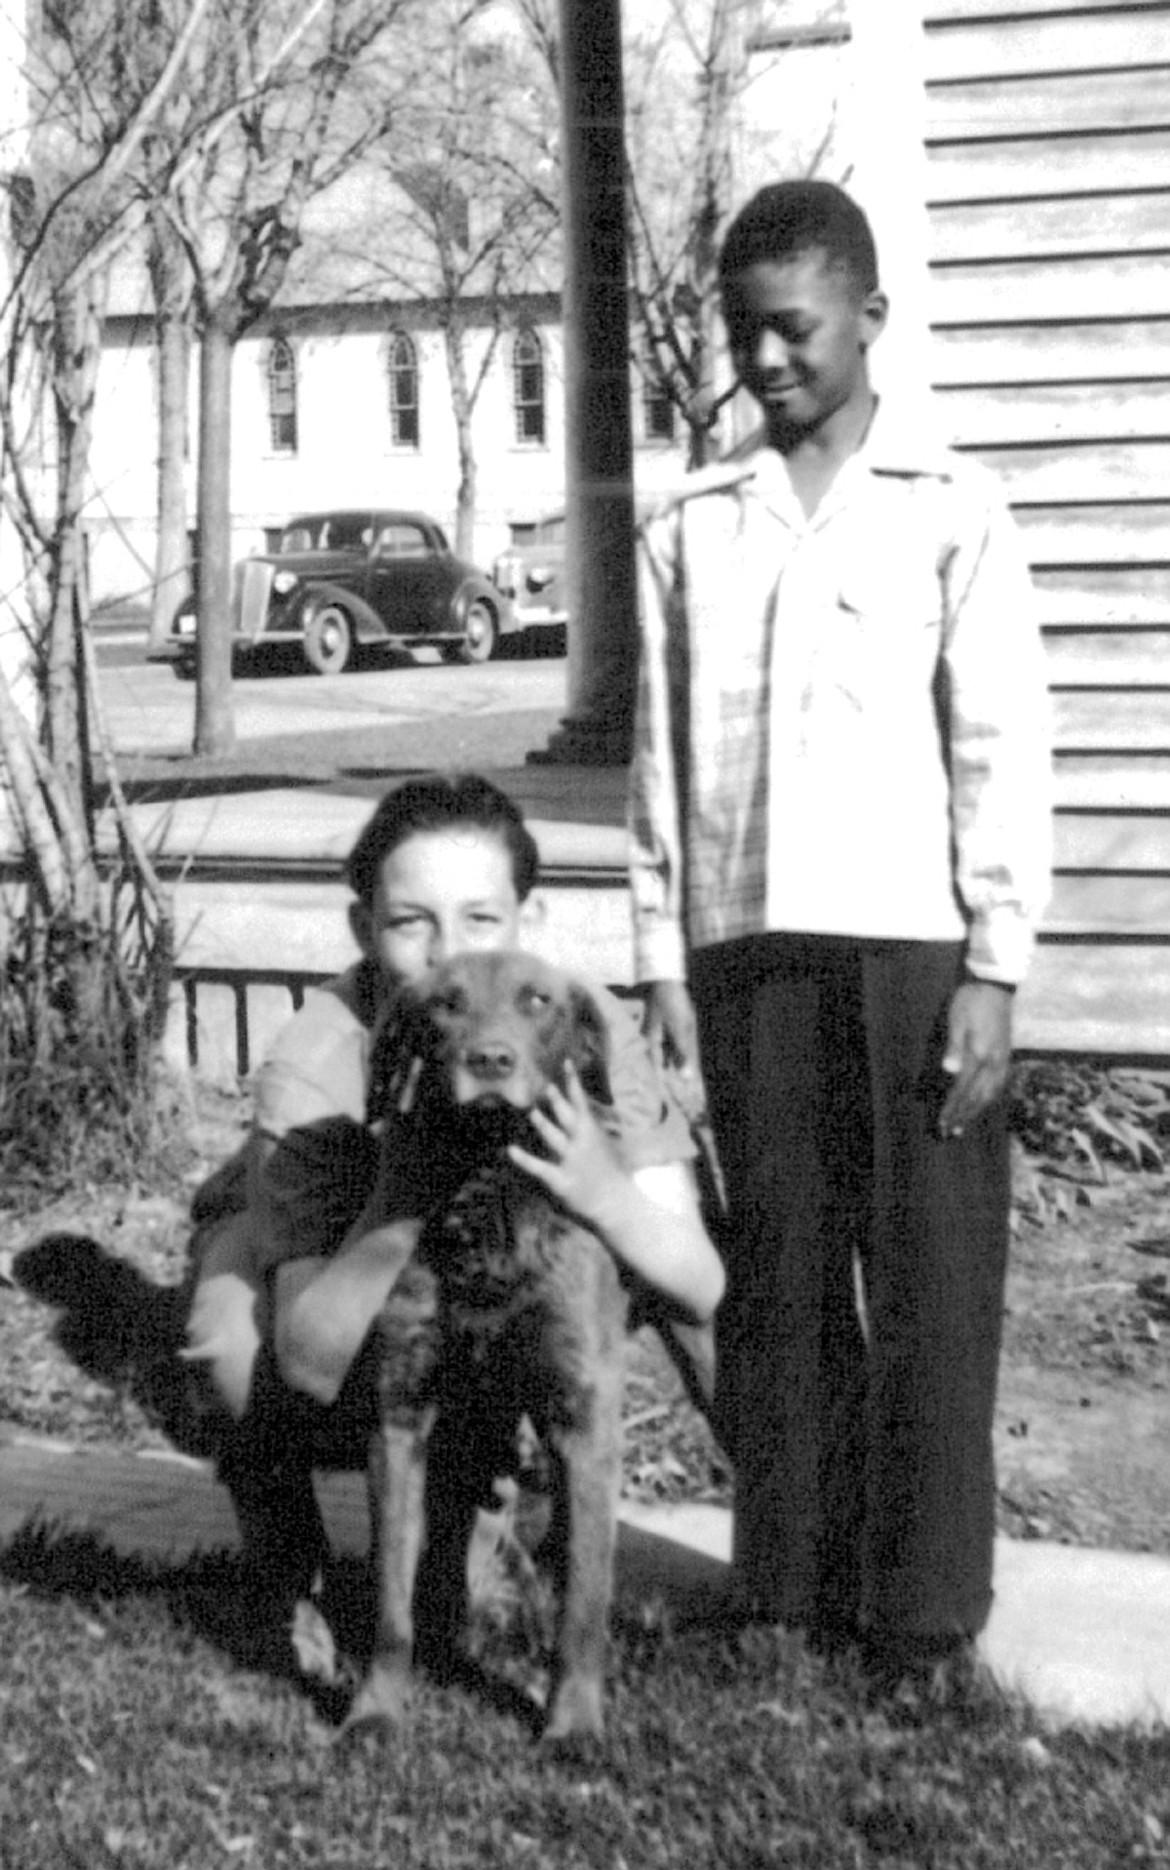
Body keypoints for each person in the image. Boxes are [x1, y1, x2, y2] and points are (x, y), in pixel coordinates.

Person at [628, 180, 1051, 1691]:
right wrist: (663, 962)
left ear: (870, 319)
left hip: (915, 959)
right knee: (783, 1285)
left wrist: (995, 964)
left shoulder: (952, 505)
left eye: (793, 326)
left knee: (932, 1287)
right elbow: (661, 764)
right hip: (750, 957)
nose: (765, 355)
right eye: (742, 328)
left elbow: (1001, 739)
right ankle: (785, 1588)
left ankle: (925, 1617)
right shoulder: (695, 523)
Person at [183, 772, 724, 1604]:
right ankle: (291, 1567)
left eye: (480, 917)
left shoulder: (584, 1024)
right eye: (410, 923)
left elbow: (697, 1284)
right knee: (232, 1341)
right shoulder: (318, 1060)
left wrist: (602, 1191)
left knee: (721, 1285)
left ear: (528, 920)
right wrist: (402, 1196)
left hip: (502, 1279)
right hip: (352, 1282)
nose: (449, 953)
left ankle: (806, 1556)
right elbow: (309, 1359)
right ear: (364, 929)